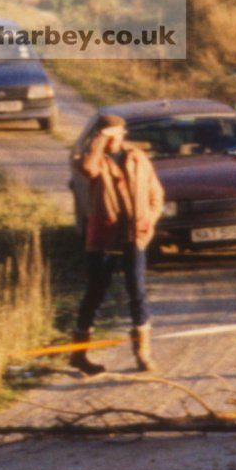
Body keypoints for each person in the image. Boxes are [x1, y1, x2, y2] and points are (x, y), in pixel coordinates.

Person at [70, 114, 165, 374]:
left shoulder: (137, 156)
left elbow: (156, 192)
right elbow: (89, 169)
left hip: (135, 234)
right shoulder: (90, 158)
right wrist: (99, 142)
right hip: (104, 235)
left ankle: (143, 353)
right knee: (95, 292)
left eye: (117, 134)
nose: (115, 140)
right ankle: (79, 355)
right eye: (108, 135)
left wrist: (151, 219)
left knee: (137, 290)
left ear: (124, 134)